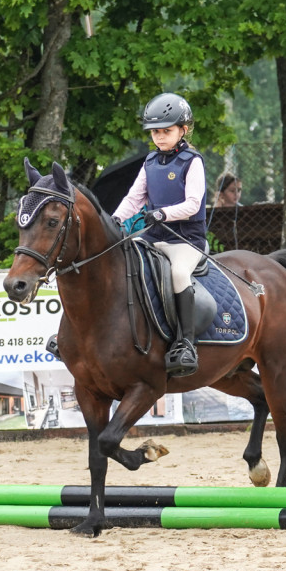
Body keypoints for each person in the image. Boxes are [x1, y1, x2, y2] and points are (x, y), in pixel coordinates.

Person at [113, 92, 206, 378]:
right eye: (155, 132)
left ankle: (186, 342)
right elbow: (134, 198)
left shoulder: (193, 161)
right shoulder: (150, 162)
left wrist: (163, 214)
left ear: (183, 130)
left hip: (186, 241)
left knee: (178, 274)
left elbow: (193, 203)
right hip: (153, 238)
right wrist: (115, 219)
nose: (160, 137)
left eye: (166, 131)